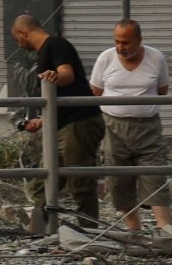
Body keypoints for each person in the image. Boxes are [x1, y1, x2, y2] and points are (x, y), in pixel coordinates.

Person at [10, 14, 103, 226]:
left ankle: (89, 231)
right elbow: (58, 96)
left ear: (22, 33)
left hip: (79, 122)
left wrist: (55, 77)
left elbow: (67, 75)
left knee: (80, 182)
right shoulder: (45, 51)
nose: (20, 45)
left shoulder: (56, 45)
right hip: (62, 124)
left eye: (17, 40)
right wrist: (42, 120)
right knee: (44, 182)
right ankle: (41, 231)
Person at [89, 18, 172, 236]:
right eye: (117, 41)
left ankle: (164, 227)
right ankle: (133, 227)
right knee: (117, 177)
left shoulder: (156, 58)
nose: (121, 47)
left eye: (126, 42)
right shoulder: (106, 58)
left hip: (148, 126)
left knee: (155, 173)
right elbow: (95, 91)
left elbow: (162, 90)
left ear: (139, 40)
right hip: (113, 125)